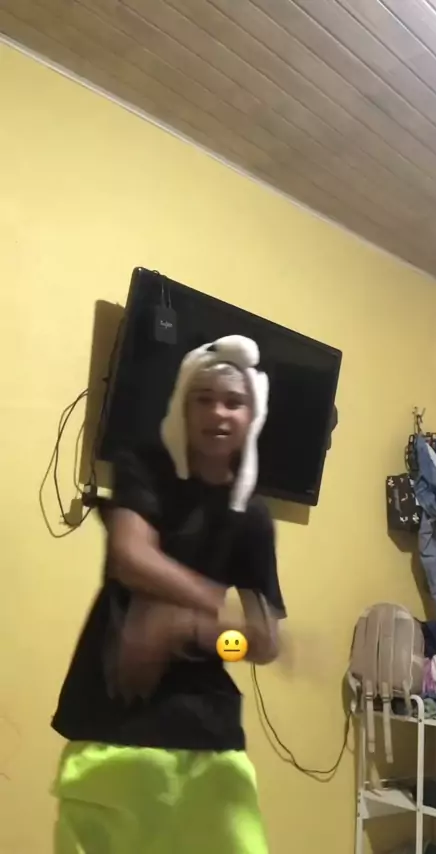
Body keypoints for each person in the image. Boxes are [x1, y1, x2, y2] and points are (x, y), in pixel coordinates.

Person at [51, 335, 287, 854]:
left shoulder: (253, 518)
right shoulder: (144, 468)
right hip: (114, 713)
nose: (217, 412)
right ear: (183, 404)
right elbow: (132, 557)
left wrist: (201, 632)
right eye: (204, 398)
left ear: (252, 415)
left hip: (205, 731)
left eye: (233, 402)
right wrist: (215, 604)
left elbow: (263, 643)